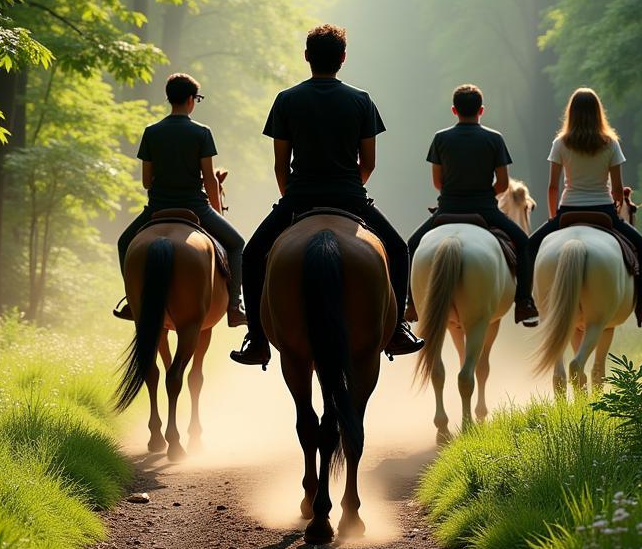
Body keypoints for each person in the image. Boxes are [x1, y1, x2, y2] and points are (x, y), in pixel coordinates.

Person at [230, 24, 423, 367]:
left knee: (251, 253)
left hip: (299, 197)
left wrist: (291, 199)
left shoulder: (286, 99)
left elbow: (280, 165)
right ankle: (398, 329)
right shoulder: (361, 100)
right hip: (349, 196)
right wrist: (350, 188)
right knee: (398, 248)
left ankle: (257, 338)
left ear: (307, 57)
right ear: (343, 59)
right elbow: (369, 163)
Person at [520, 87, 642, 325]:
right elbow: (617, 189)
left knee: (529, 247)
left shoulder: (560, 143)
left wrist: (555, 217)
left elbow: (553, 187)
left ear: (571, 113)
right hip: (603, 211)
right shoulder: (611, 144)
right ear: (598, 112)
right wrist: (616, 205)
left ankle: (527, 302)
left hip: (568, 211)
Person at [114, 73, 246, 327]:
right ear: (190, 99)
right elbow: (209, 179)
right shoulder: (202, 132)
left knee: (123, 243)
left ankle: (133, 301)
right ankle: (234, 305)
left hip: (157, 208)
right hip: (195, 207)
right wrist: (216, 210)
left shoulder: (151, 132)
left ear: (169, 98)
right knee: (237, 243)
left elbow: (146, 181)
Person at [405, 84, 535, 325]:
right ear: (481, 111)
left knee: (411, 245)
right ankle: (525, 302)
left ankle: (410, 303)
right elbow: (504, 183)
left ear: (454, 111)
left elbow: (437, 182)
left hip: (448, 209)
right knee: (524, 243)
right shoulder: (495, 139)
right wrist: (485, 193)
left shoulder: (441, 138)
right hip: (485, 209)